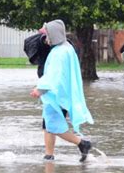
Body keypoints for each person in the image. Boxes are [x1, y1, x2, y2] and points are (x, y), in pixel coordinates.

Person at [30, 19, 94, 162]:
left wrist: (40, 90)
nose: (46, 39)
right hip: (63, 94)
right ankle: (49, 154)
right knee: (48, 124)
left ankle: (82, 143)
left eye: (47, 35)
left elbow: (54, 75)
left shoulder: (59, 53)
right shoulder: (67, 48)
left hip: (56, 95)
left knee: (53, 126)